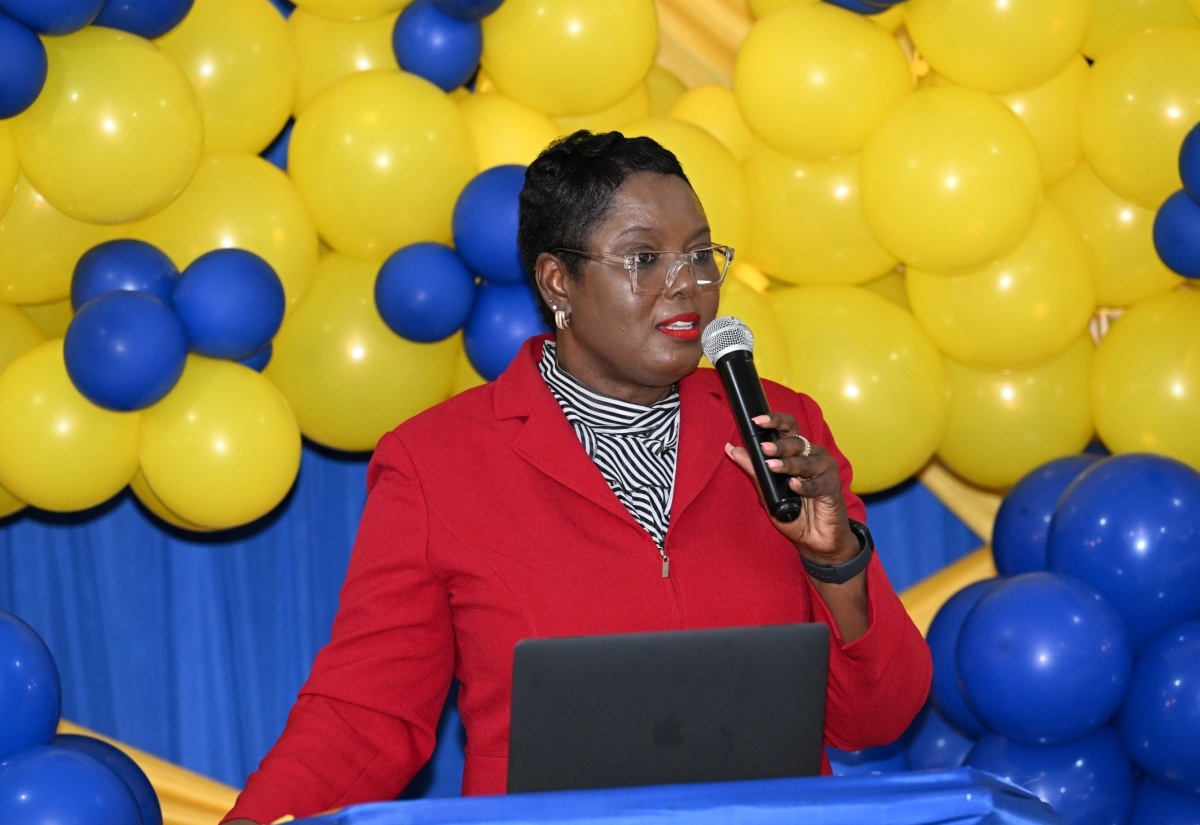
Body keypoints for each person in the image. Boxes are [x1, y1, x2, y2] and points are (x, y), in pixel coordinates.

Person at [223, 130, 931, 824]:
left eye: (700, 255)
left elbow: (877, 715)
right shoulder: (439, 463)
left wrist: (834, 558)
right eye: (644, 257)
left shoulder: (782, 429)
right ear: (558, 280)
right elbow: (364, 717)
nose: (687, 286)